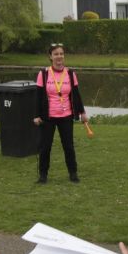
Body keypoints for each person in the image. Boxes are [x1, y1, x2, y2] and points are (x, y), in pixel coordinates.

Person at [33, 43, 87, 184]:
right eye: (56, 54)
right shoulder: (43, 74)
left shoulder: (70, 74)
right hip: (48, 117)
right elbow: (38, 97)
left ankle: (73, 173)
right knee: (45, 147)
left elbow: (76, 95)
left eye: (61, 54)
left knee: (68, 146)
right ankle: (43, 175)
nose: (59, 57)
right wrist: (36, 115)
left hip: (66, 116)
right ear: (50, 57)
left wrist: (82, 112)